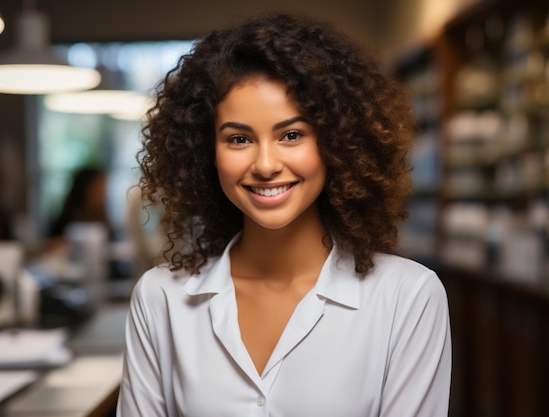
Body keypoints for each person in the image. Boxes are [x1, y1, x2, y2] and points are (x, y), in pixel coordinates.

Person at [117, 13, 451, 417]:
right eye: (239, 139)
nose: (266, 164)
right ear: (206, 153)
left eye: (291, 135)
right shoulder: (160, 300)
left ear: (335, 142)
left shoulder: (408, 297)